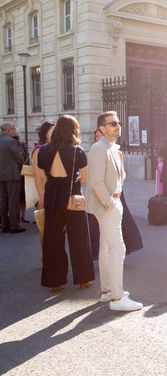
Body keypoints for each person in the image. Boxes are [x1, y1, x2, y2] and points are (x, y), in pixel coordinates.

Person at [88, 111, 142, 311]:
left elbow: (118, 177)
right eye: (112, 124)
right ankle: (117, 298)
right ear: (101, 128)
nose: (117, 126)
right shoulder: (98, 148)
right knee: (118, 248)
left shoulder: (113, 148)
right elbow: (95, 181)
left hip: (113, 203)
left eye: (118, 123)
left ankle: (107, 291)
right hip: (108, 205)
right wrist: (110, 203)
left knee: (105, 248)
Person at [38, 115, 94, 292]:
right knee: (79, 237)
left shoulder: (43, 150)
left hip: (52, 193)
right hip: (72, 195)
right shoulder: (77, 151)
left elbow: (43, 175)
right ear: (73, 130)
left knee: (52, 238)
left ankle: (56, 281)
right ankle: (84, 278)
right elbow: (85, 178)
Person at [88, 129, 143, 261]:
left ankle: (119, 251)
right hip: (99, 191)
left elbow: (122, 174)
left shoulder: (117, 152)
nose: (98, 138)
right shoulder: (95, 151)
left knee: (120, 221)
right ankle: (99, 253)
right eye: (96, 136)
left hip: (115, 192)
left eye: (100, 135)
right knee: (96, 224)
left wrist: (117, 187)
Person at [0, 122, 25, 233]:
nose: (15, 131)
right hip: (12, 175)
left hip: (1, 175)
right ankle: (14, 226)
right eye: (13, 129)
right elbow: (19, 158)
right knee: (13, 200)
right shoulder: (11, 141)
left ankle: (5, 225)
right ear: (7, 130)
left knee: (3, 200)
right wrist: (23, 169)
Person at [32, 121, 55, 211]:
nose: (55, 133)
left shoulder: (52, 147)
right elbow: (37, 175)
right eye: (52, 130)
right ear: (45, 132)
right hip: (46, 191)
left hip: (53, 189)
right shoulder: (39, 149)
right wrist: (41, 195)